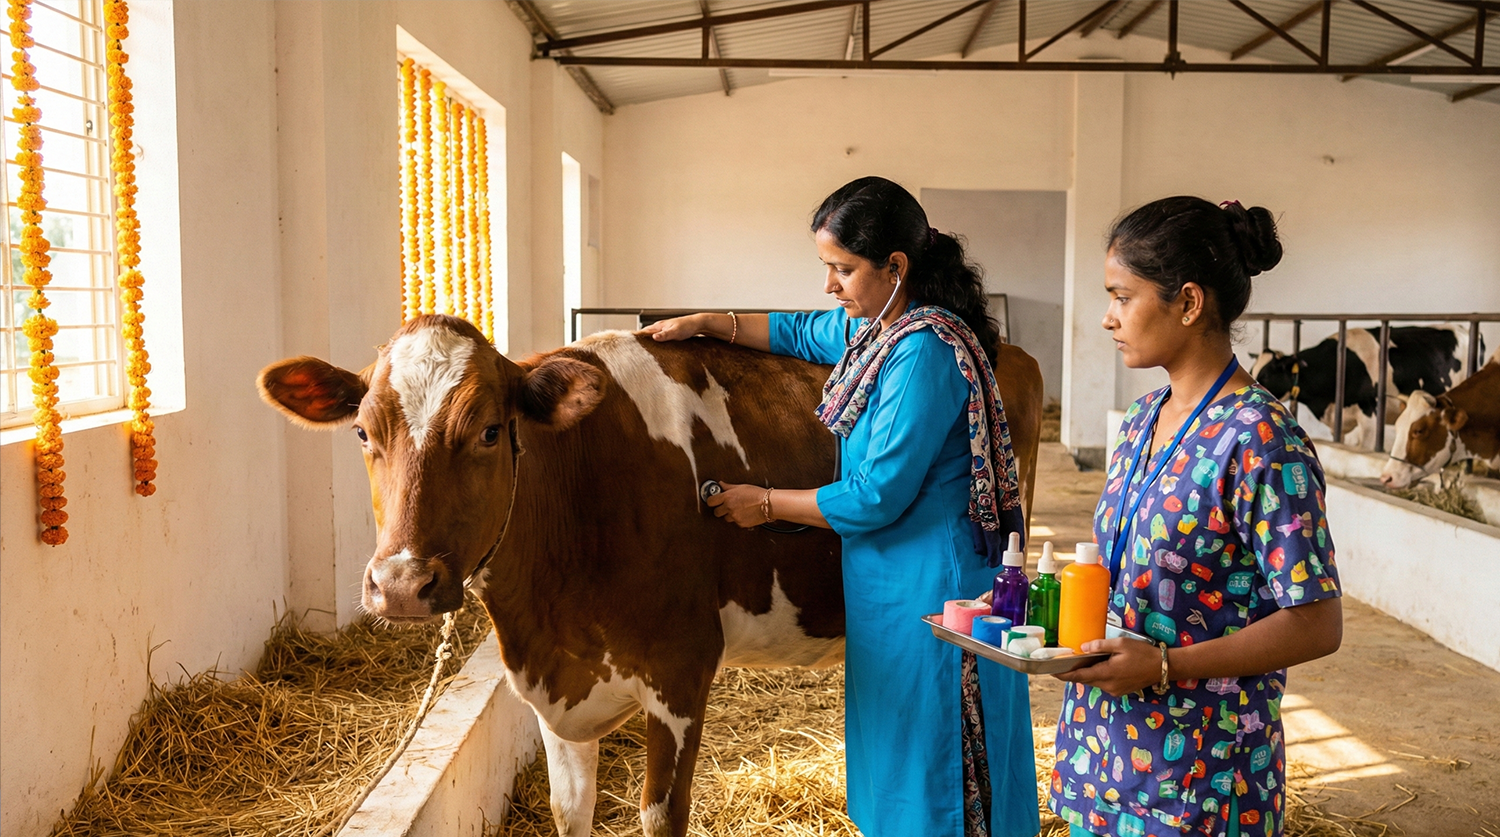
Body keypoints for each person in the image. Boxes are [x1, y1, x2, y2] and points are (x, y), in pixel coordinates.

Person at [644, 176, 1039, 837]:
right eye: (826, 266)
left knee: (938, 755)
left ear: (896, 266)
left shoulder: (923, 351)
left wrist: (764, 504)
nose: (830, 284)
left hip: (934, 586)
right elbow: (802, 330)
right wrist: (710, 322)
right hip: (887, 582)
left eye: (843, 268)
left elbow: (875, 494)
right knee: (896, 747)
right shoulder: (879, 330)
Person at [1050, 197, 1344, 837]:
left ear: (1187, 303)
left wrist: (1163, 666)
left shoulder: (1263, 441)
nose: (1107, 318)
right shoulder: (1140, 422)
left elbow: (1317, 623)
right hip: (1102, 755)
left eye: (1122, 297)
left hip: (1205, 780)